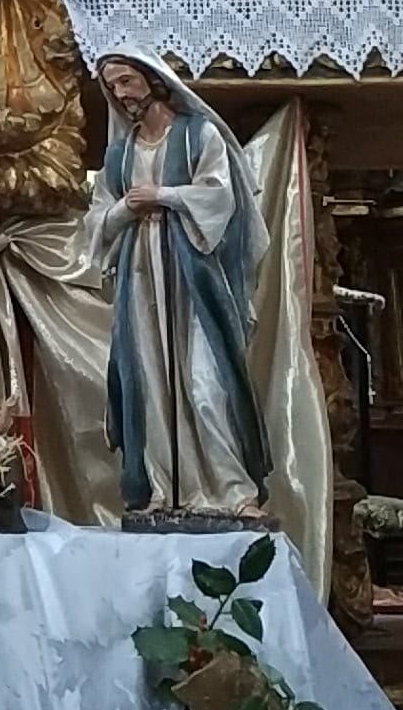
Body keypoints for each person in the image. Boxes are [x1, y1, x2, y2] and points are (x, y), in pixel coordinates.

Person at [86, 47, 271, 517]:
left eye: (126, 81)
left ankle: (231, 490)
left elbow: (220, 196)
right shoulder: (119, 153)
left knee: (205, 383)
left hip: (193, 280)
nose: (120, 93)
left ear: (153, 80)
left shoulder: (197, 135)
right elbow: (95, 221)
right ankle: (162, 491)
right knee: (147, 384)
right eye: (112, 86)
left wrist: (163, 195)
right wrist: (127, 208)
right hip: (140, 278)